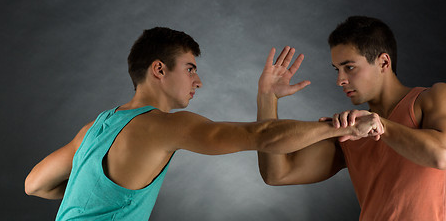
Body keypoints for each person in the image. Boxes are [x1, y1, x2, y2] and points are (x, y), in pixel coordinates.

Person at [24, 27, 383, 220]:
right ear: (159, 70)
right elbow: (260, 136)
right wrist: (346, 127)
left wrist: (96, 199)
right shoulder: (161, 126)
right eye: (191, 69)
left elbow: (34, 184)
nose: (198, 82)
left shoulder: (95, 128)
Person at [257, 16, 446, 220]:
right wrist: (267, 98)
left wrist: (379, 125)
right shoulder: (351, 131)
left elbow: (442, 154)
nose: (340, 80)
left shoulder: (434, 97)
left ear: (383, 62)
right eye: (337, 70)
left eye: (349, 67)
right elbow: (277, 174)